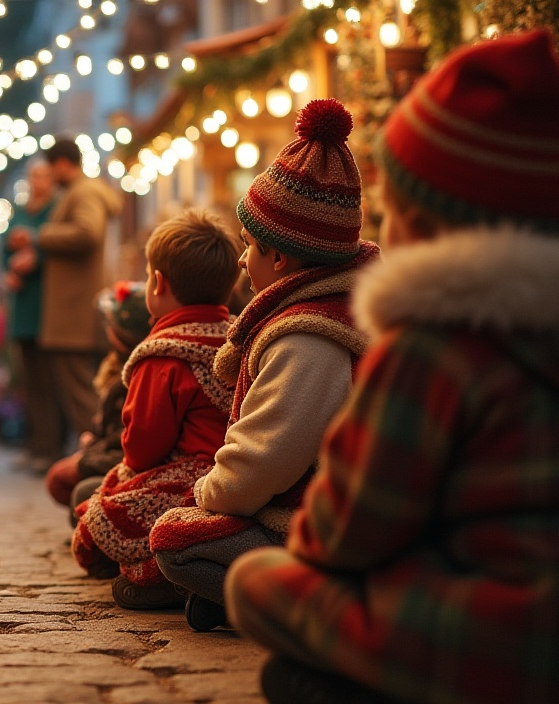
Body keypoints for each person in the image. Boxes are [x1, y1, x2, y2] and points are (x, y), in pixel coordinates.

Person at [227, 31, 559, 704]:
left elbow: (342, 532)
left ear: (422, 222)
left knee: (255, 582)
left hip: (496, 648)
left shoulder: (430, 347)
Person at [149, 99, 380, 632]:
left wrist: (208, 496)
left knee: (174, 544)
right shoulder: (332, 312)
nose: (241, 261)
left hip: (315, 528)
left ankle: (297, 608)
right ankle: (247, 597)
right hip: (322, 519)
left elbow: (266, 458)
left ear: (280, 258)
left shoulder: (308, 336)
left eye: (248, 246)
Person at [71, 210, 239, 610]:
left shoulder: (161, 355)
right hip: (236, 474)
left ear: (158, 283)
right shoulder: (238, 336)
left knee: (97, 510)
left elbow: (143, 449)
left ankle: (161, 578)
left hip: (192, 479)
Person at [18, 138, 120, 457]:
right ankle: (97, 453)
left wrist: (40, 235)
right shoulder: (81, 191)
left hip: (74, 310)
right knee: (82, 389)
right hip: (73, 309)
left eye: (50, 167)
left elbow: (88, 231)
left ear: (62, 164)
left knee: (80, 393)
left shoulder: (83, 192)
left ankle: (99, 456)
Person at [42, 281, 152, 513]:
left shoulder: (130, 378)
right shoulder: (115, 366)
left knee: (62, 480)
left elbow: (123, 441)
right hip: (109, 454)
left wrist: (90, 453)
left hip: (123, 464)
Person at [0, 162, 59, 473]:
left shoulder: (56, 209)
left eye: (42, 176)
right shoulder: (20, 211)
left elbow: (56, 248)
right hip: (22, 304)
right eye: (33, 176)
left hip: (45, 304)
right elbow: (4, 250)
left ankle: (50, 448)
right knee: (29, 381)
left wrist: (34, 252)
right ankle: (34, 444)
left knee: (49, 381)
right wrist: (9, 268)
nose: (37, 181)